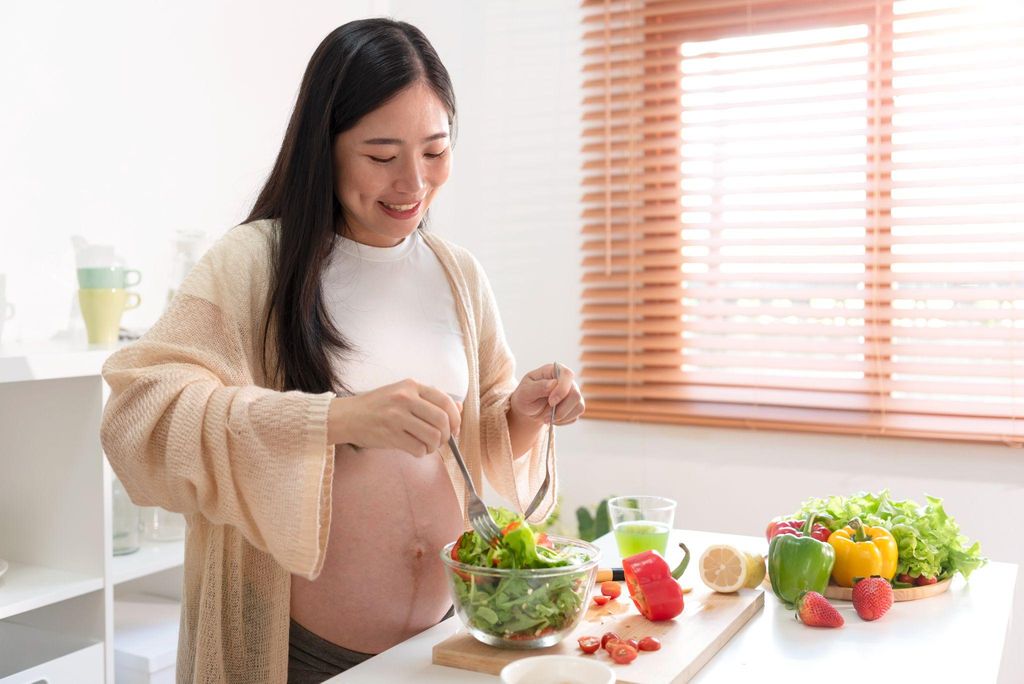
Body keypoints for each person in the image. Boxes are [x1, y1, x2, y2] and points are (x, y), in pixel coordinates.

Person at [99, 17, 584, 684]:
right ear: (322, 148)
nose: (412, 182)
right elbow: (138, 420)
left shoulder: (458, 274)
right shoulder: (252, 264)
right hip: (300, 656)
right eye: (382, 156)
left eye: (435, 151)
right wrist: (335, 419)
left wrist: (525, 413)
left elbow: (482, 431)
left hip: (442, 643)